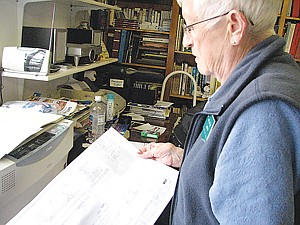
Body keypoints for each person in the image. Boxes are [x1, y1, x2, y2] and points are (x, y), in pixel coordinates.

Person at [138, 0, 300, 224]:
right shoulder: (263, 77)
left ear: (234, 27)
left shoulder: (261, 113)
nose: (186, 41)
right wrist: (185, 158)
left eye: (191, 26)